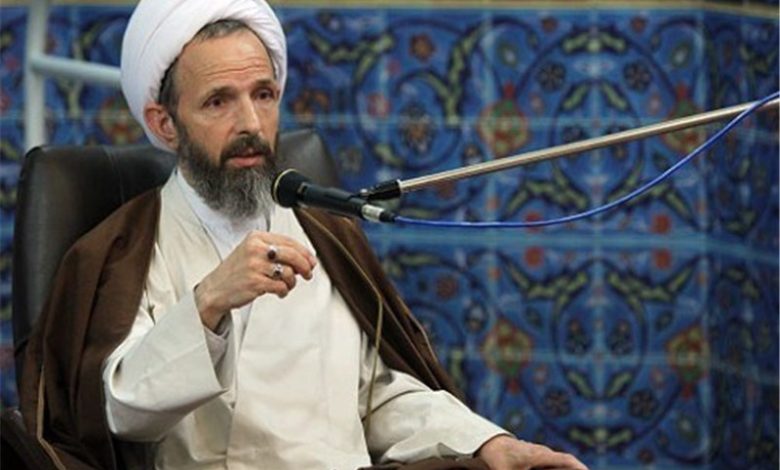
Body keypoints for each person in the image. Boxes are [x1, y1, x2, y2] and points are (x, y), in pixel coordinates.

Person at [19, 1, 588, 469]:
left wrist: (486, 442)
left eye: (263, 95)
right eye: (218, 101)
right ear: (166, 124)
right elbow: (120, 411)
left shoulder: (325, 233)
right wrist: (209, 303)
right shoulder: (127, 250)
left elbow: (375, 399)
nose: (250, 124)